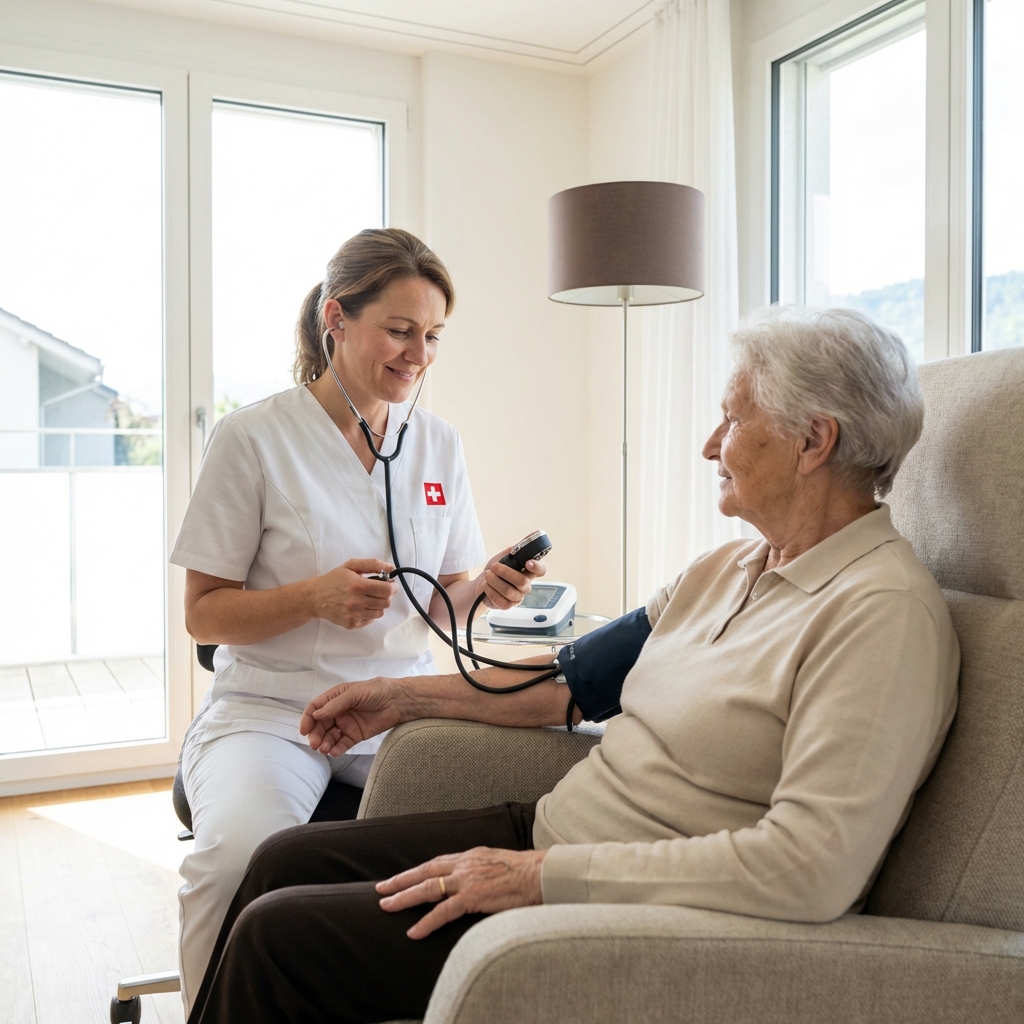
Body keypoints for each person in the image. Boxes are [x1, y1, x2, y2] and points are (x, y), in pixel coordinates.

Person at [185, 307, 960, 1024]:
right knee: (278, 863)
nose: (710, 444)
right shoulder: (726, 569)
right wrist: (396, 696)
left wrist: (538, 878)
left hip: (620, 904)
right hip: (553, 835)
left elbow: (809, 868)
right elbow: (568, 686)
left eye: (733, 417)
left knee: (278, 937)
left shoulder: (880, 614)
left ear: (813, 441)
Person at [169, 228, 547, 1012]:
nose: (419, 354)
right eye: (401, 330)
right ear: (336, 319)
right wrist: (311, 597)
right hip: (277, 713)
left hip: (400, 709)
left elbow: (440, 599)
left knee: (461, 861)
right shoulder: (254, 438)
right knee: (237, 857)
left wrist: (486, 587)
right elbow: (203, 616)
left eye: (433, 335)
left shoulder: (438, 444)